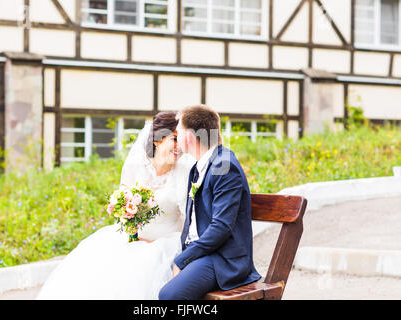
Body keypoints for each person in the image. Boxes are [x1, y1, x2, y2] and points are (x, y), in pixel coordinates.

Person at [36, 111, 195, 299]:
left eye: (182, 141)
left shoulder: (185, 172)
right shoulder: (135, 166)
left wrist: (156, 244)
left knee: (144, 269)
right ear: (157, 140)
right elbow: (122, 207)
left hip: (166, 243)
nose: (180, 147)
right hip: (131, 238)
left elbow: (189, 220)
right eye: (174, 139)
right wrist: (133, 235)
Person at [159, 105, 261, 300]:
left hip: (222, 259)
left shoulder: (225, 166)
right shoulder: (199, 166)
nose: (176, 136)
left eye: (178, 132)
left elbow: (221, 227)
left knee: (169, 296)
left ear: (188, 136)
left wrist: (183, 259)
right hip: (203, 252)